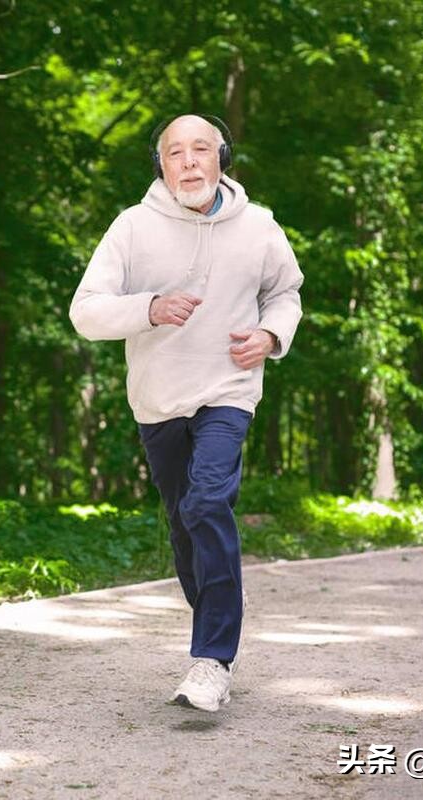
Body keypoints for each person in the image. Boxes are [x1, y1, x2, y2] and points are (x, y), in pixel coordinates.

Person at [68, 114, 303, 712]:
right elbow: (86, 311)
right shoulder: (132, 228)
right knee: (184, 526)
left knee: (206, 501)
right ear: (162, 165)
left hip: (228, 388)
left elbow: (285, 292)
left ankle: (212, 658)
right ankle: (218, 627)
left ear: (223, 156)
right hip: (159, 399)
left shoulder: (259, 227)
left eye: (202, 149)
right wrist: (149, 308)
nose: (190, 161)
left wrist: (271, 337)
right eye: (176, 152)